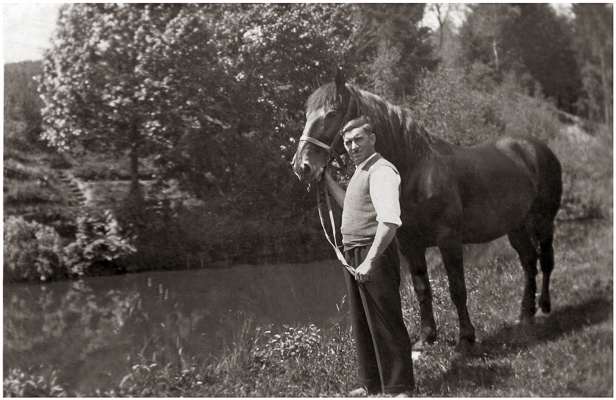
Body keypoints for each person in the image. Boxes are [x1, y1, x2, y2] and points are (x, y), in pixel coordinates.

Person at [321, 116, 414, 397]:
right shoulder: (362, 170)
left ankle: (400, 387)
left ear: (372, 138)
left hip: (374, 252)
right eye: (348, 142)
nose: (352, 146)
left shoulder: (382, 171)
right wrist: (325, 177)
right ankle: (372, 384)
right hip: (354, 252)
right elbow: (348, 203)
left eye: (358, 139)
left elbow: (390, 222)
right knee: (363, 321)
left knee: (386, 318)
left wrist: (371, 260)